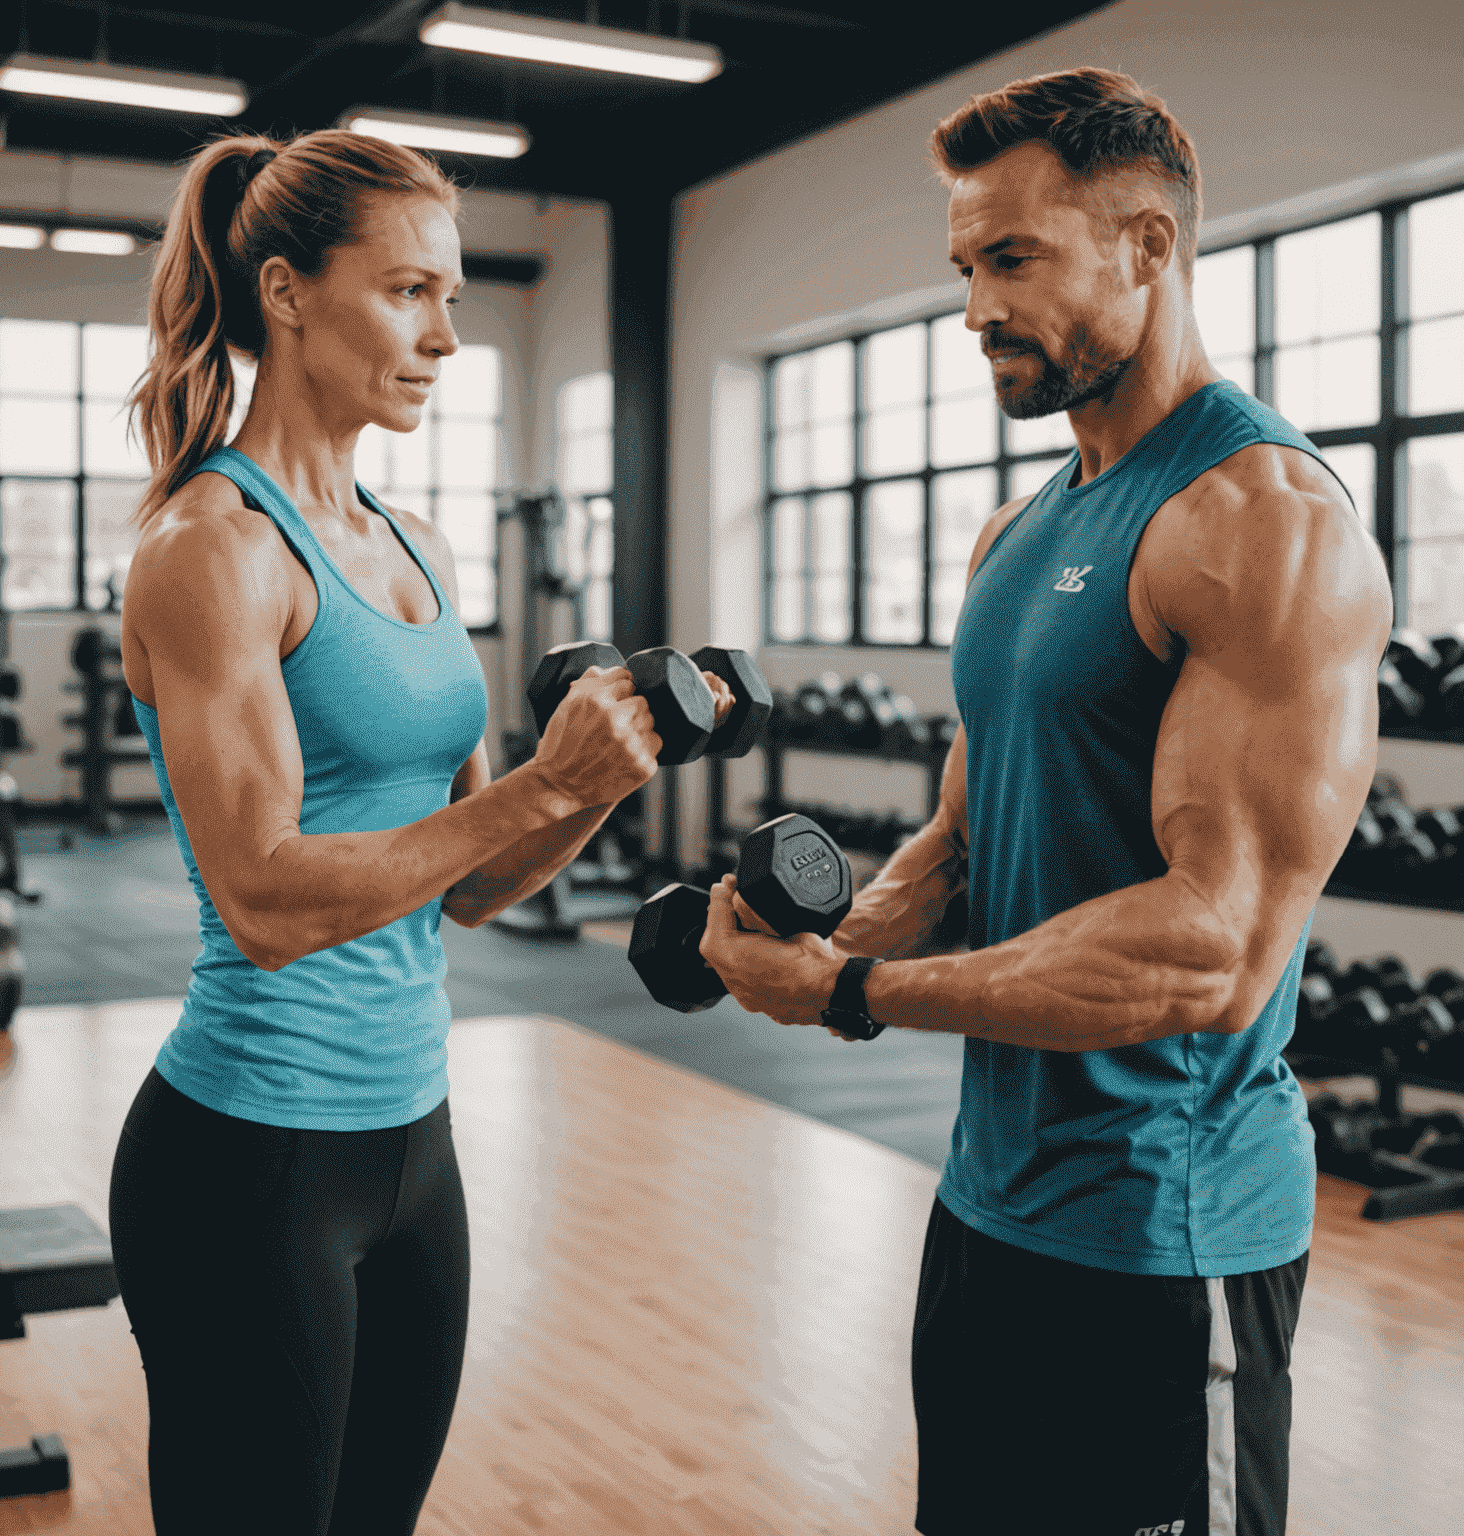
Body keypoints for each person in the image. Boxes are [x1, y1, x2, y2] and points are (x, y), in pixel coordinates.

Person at [699, 67, 1392, 1536]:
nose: (972, 310)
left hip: (1165, 1238)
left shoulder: (1262, 526)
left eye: (1012, 260)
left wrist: (855, 996)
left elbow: (1212, 949)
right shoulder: (1018, 531)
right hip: (988, 1211)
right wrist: (817, 937)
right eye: (964, 265)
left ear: (1148, 247)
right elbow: (964, 835)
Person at [106, 129, 730, 1536]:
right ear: (285, 290)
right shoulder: (213, 548)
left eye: (451, 296)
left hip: (413, 1147)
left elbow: (468, 887)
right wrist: (540, 783)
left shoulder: (419, 547)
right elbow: (265, 899)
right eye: (408, 294)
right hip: (250, 1155)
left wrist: (598, 779)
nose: (447, 336)